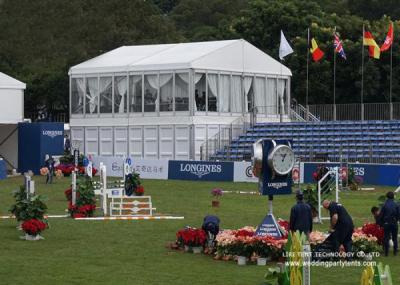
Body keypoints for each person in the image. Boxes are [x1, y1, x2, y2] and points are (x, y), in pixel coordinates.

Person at [380, 191, 400, 256]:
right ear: (393, 197)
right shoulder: (396, 204)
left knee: (386, 237)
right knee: (395, 238)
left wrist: (382, 223)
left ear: (387, 197)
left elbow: (381, 215)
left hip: (386, 223)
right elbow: (398, 214)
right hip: (394, 223)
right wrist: (396, 220)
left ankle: (386, 253)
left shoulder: (384, 205)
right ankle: (395, 252)